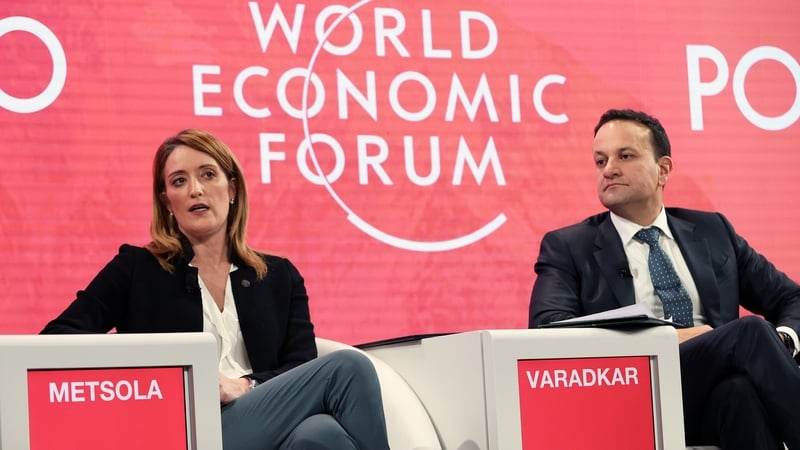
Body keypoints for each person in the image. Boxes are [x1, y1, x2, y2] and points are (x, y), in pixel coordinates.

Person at [41, 129, 391, 450]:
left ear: (232, 188)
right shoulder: (137, 268)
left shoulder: (278, 276)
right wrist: (160, 375)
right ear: (167, 201)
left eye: (208, 175)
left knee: (321, 436)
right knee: (348, 367)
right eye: (179, 181)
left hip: (261, 420)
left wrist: (246, 386)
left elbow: (299, 365)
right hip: (181, 429)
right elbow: (58, 338)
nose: (195, 189)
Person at [528, 108, 800, 450]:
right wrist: (666, 339)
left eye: (625, 156)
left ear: (663, 170)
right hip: (627, 392)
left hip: (703, 394)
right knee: (749, 331)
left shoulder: (713, 231)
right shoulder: (568, 246)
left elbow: (792, 299)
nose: (609, 169)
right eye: (600, 161)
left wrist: (783, 343)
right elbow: (547, 330)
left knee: (740, 393)